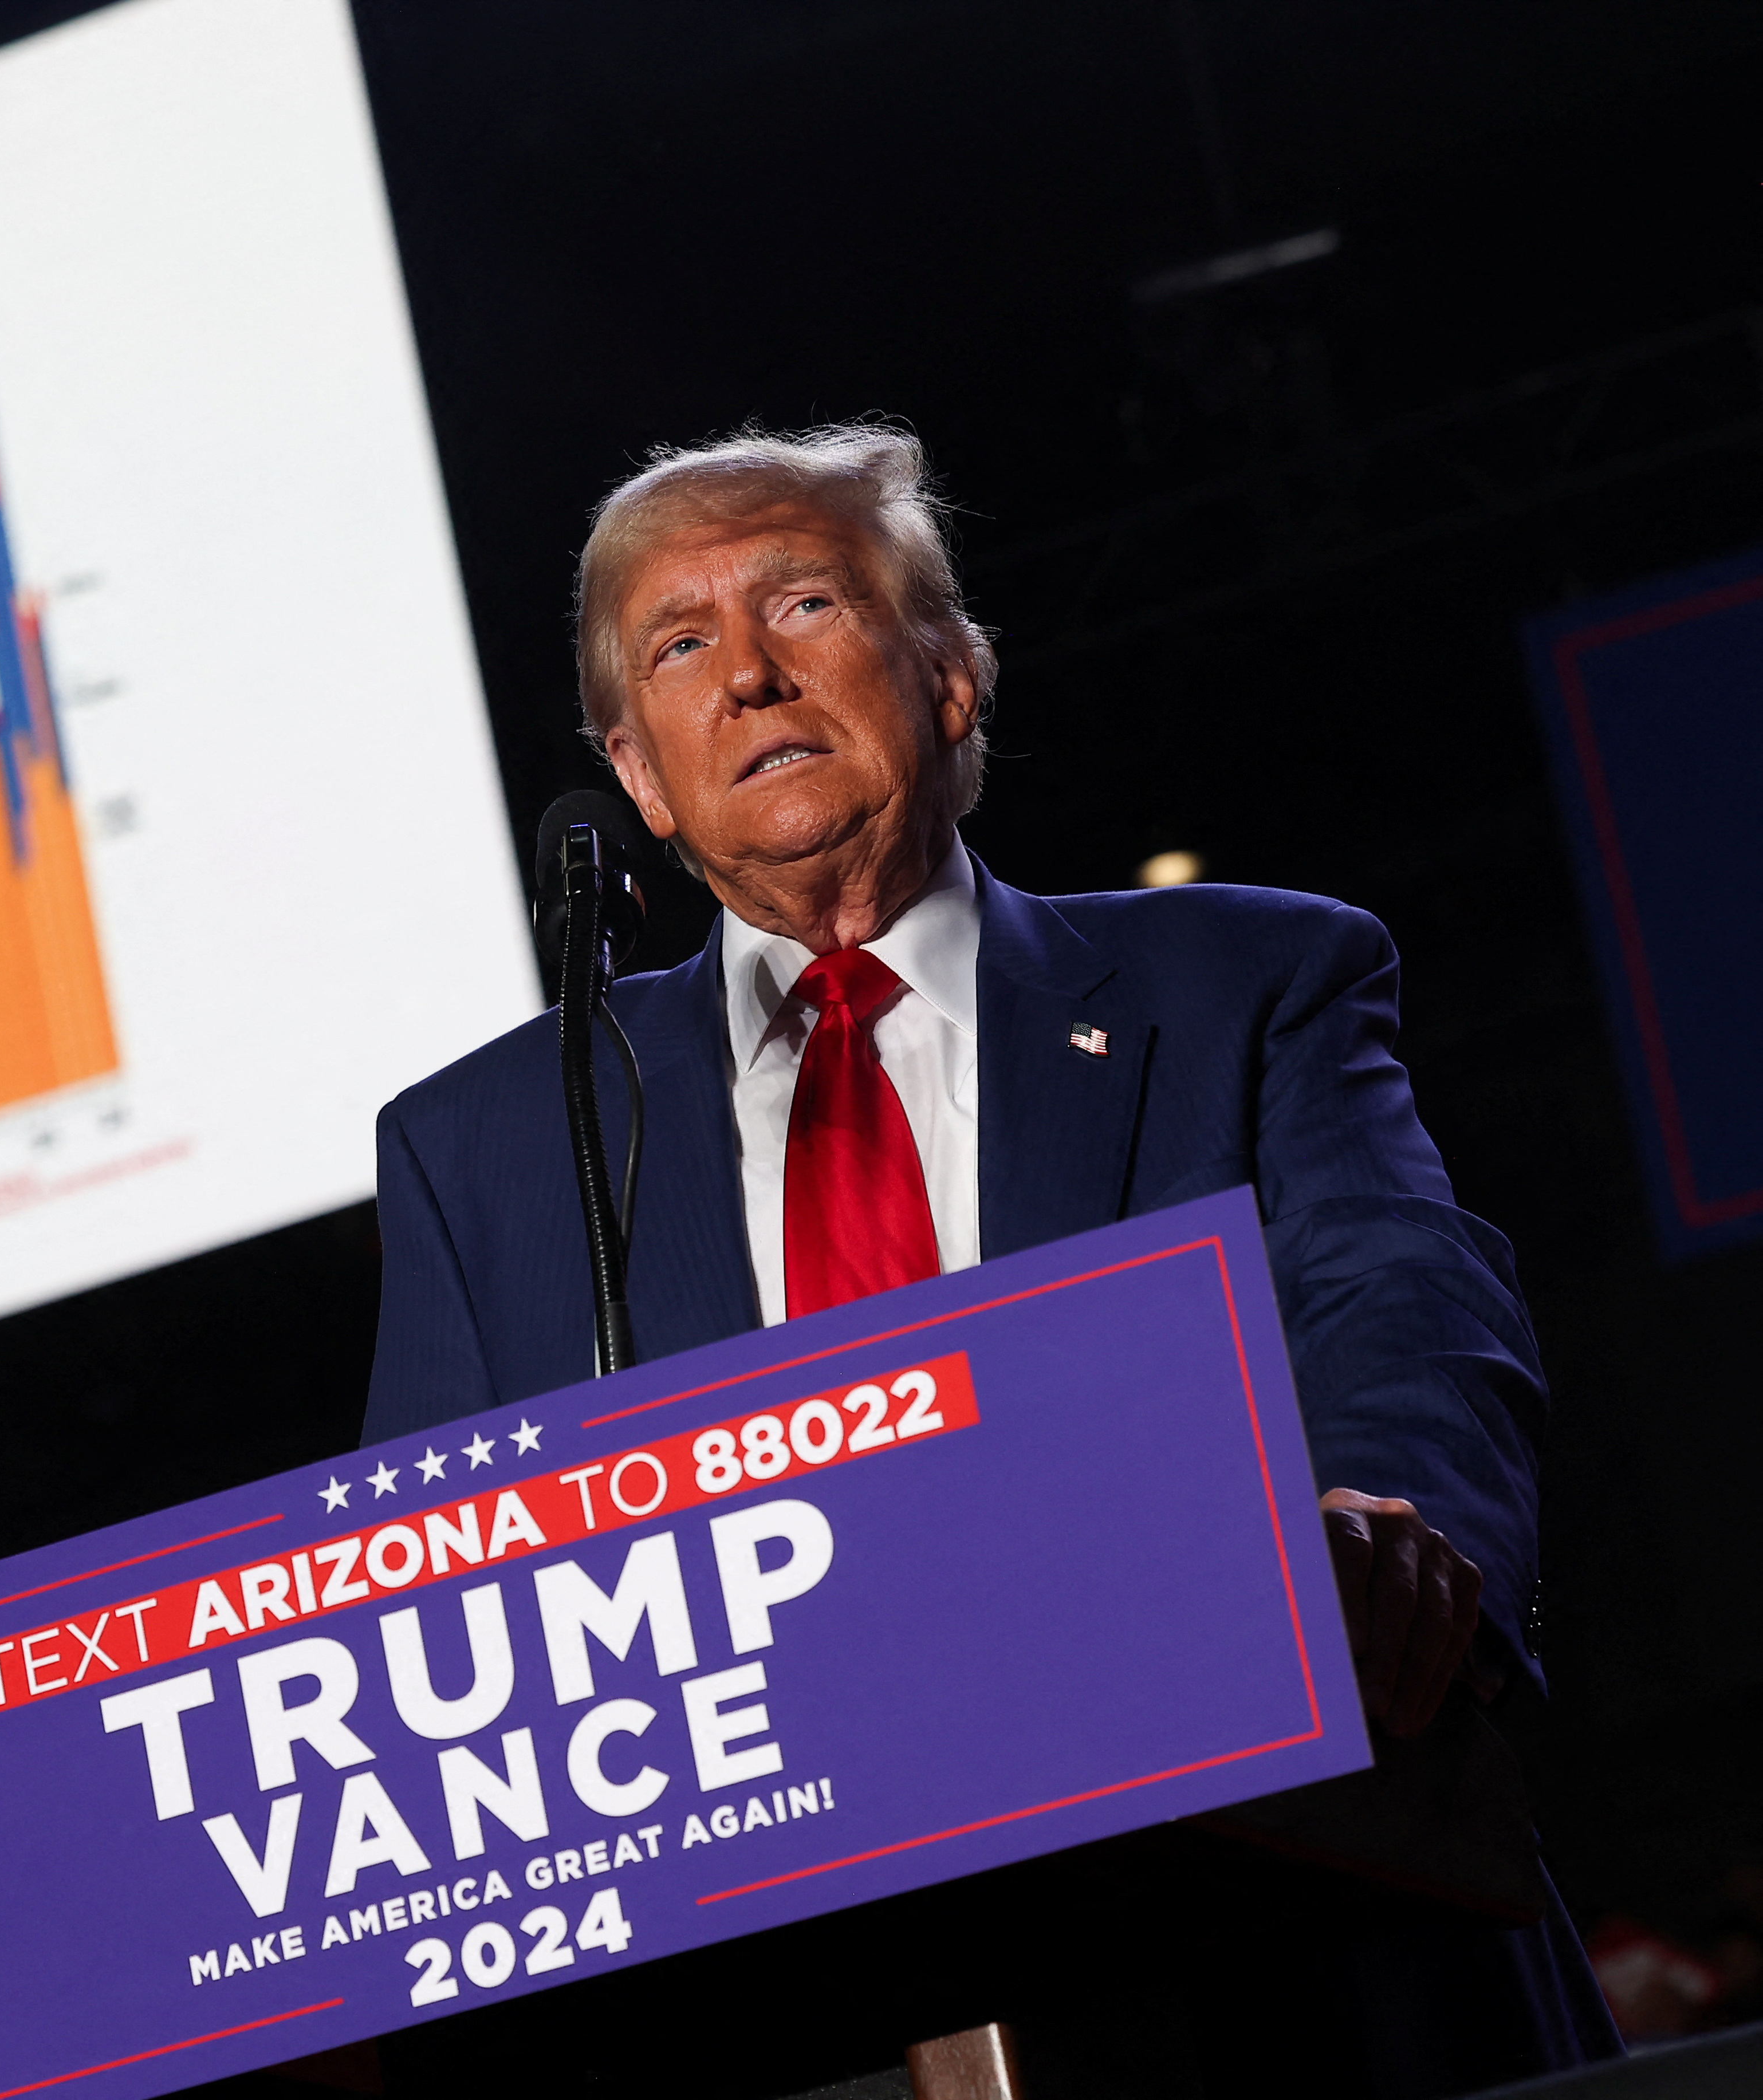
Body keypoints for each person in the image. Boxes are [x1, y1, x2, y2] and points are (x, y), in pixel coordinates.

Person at [360, 425, 1619, 2095]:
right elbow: (427, 1587)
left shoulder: (1245, 980)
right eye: (679, 644)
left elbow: (1397, 1298)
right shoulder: (491, 1150)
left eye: (801, 603)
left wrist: (1383, 1522)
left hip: (1279, 1934)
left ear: (950, 676)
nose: (744, 674)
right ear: (639, 773)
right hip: (797, 2021)